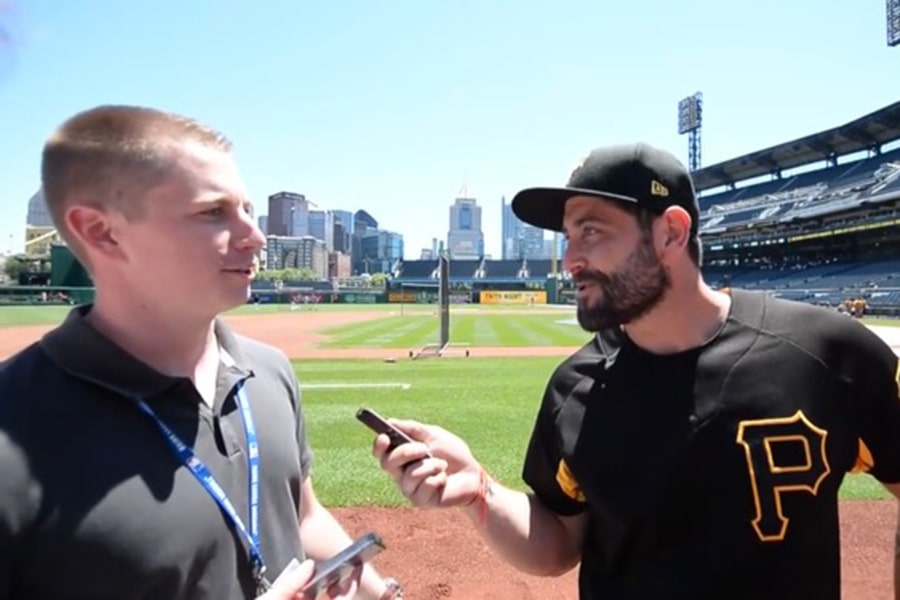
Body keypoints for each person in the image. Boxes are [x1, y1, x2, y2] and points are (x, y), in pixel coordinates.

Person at [372, 142, 900, 599]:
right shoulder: (575, 388)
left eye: (592, 232)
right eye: (567, 238)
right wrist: (479, 489)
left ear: (670, 232)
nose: (570, 259)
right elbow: (557, 543)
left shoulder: (825, 353)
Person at [0, 105, 403, 600]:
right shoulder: (14, 424)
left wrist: (381, 595)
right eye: (214, 212)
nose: (254, 237)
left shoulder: (268, 371)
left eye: (248, 211)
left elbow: (302, 518)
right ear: (102, 232)